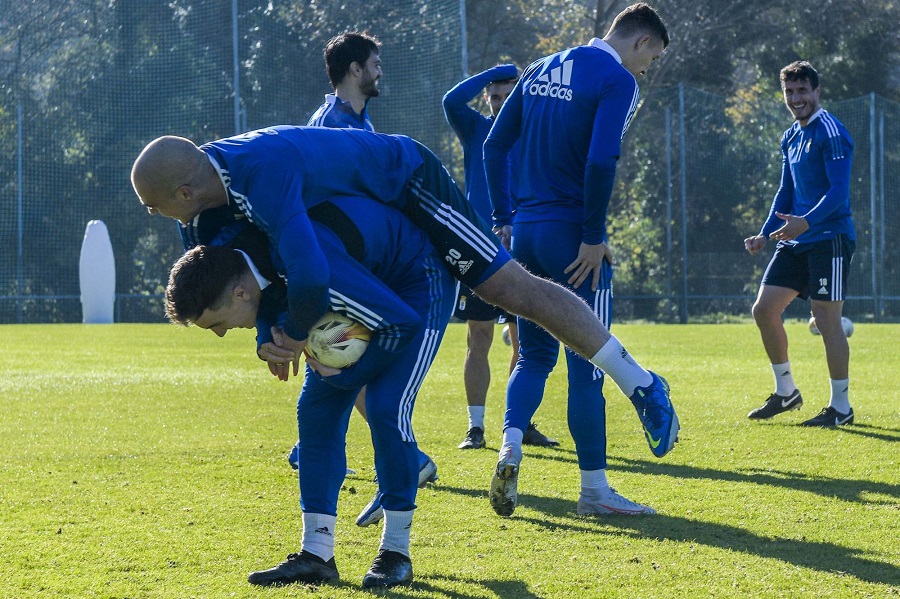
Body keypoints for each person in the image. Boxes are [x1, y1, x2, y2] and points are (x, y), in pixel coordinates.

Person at [131, 125, 677, 471]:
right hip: (372, 231)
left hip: (408, 182)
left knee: (509, 290)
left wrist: (293, 335)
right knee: (347, 346)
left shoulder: (259, 174)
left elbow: (309, 277)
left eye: (155, 208)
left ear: (183, 192)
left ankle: (641, 382)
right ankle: (402, 463)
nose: (158, 219)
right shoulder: (203, 216)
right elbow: (248, 279)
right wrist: (267, 338)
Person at [166, 196, 457, 589]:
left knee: (386, 408)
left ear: (237, 294)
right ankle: (317, 554)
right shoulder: (236, 252)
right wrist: (268, 334)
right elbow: (267, 292)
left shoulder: (313, 263)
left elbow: (399, 323)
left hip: (415, 282)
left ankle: (395, 552)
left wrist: (342, 375)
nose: (219, 333)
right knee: (316, 411)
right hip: (358, 284)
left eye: (216, 323)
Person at [483, 2, 672, 518]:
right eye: (650, 58)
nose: (645, 69)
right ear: (640, 42)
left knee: (533, 356)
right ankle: (594, 490)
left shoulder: (540, 67)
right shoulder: (617, 79)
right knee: (589, 359)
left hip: (525, 233)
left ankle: (510, 447)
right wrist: (593, 234)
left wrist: (504, 215)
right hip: (573, 240)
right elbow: (600, 158)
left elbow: (494, 144)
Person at [303, 29, 440, 499]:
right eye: (374, 63)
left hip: (376, 263)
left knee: (346, 357)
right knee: (338, 355)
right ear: (354, 70)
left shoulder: (362, 120)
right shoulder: (328, 125)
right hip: (345, 268)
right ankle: (401, 459)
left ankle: (319, 440)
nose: (381, 70)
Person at [442, 64, 558, 450]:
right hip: (481, 246)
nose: (501, 102)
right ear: (487, 98)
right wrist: (496, 71)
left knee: (525, 344)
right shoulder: (476, 129)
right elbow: (450, 100)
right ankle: (475, 428)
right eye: (495, 96)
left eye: (509, 96)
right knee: (479, 337)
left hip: (523, 246)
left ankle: (520, 423)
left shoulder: (533, 131)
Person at [744, 61, 856, 427]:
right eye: (790, 92)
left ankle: (841, 407)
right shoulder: (791, 136)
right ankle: (786, 392)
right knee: (764, 310)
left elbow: (839, 192)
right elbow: (786, 190)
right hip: (794, 237)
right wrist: (764, 232)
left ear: (817, 91)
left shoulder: (831, 131)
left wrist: (805, 222)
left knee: (826, 320)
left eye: (802, 90)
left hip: (829, 238)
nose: (796, 98)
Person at [307, 31, 381, 131]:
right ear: (356, 69)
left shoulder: (367, 124)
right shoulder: (324, 124)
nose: (380, 73)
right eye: (376, 65)